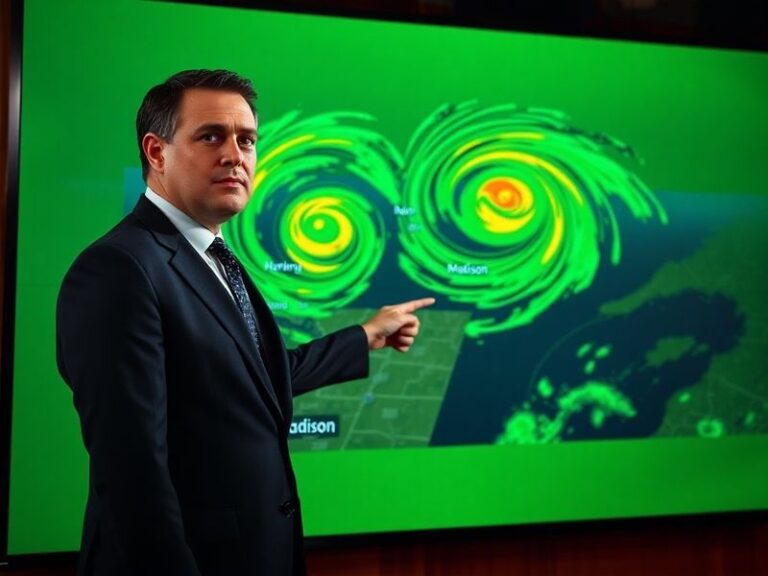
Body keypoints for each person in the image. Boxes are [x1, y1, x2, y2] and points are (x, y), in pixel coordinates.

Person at [56, 69, 434, 576]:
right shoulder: (118, 269)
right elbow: (131, 472)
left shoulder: (213, 255)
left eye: (247, 139)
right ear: (156, 151)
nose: (235, 154)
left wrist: (365, 336)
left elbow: (249, 379)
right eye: (211, 136)